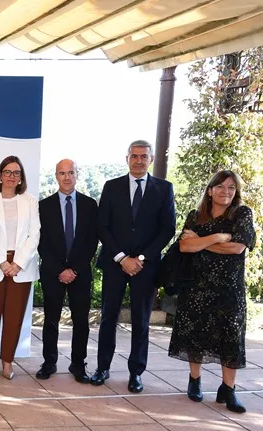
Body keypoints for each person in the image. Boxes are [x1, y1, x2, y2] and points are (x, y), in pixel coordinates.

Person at [91, 140, 175, 392]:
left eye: (143, 156)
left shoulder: (164, 189)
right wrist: (121, 258)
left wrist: (141, 258)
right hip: (115, 263)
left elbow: (167, 229)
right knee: (108, 318)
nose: (139, 160)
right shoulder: (112, 186)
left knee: (141, 321)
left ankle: (136, 373)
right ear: (126, 158)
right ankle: (102, 368)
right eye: (134, 156)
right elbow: (102, 226)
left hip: (145, 267)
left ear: (151, 159)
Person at [169, 170, 255, 413]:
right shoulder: (195, 216)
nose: (225, 191)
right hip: (196, 286)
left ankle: (228, 389)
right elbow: (184, 246)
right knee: (195, 333)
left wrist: (201, 241)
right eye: (220, 186)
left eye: (231, 187)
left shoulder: (242, 214)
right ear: (210, 191)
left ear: (236, 192)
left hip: (229, 288)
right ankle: (195, 380)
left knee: (231, 337)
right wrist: (217, 237)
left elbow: (237, 248)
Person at [36, 159, 98, 383]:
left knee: (81, 322)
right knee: (51, 320)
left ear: (77, 174)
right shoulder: (44, 206)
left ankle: (78, 364)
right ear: (56, 176)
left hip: (80, 273)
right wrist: (60, 270)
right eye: (62, 173)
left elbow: (92, 241)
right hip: (53, 273)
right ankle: (49, 362)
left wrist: (74, 269)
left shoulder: (90, 205)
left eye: (71, 172)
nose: (67, 177)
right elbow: (41, 243)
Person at [0, 156, 40, 381]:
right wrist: (1, 262)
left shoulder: (30, 200)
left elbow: (34, 234)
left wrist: (18, 263)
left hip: (21, 267)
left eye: (16, 172)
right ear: (0, 175)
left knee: (14, 319)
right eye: (7, 172)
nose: (11, 176)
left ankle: (7, 362)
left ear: (21, 177)